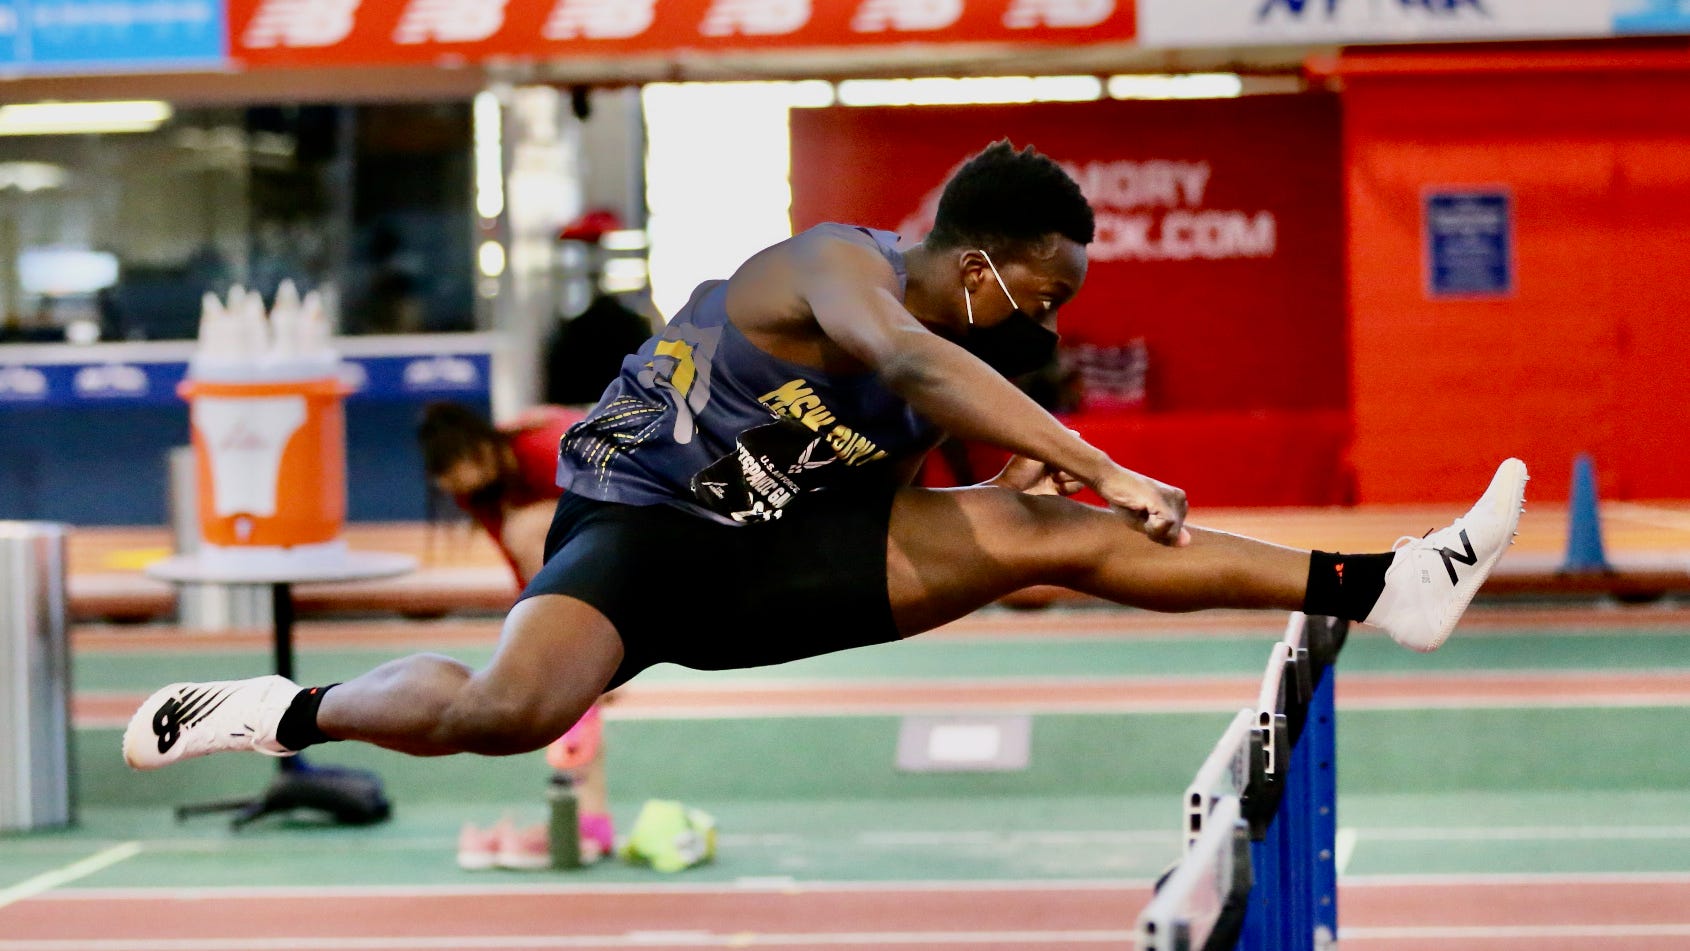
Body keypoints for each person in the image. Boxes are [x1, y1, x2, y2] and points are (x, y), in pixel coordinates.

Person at [122, 141, 1527, 790]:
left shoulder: (975, 361)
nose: (1044, 321)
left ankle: (1385, 580)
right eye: (1033, 294)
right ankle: (287, 708)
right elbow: (909, 365)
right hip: (644, 526)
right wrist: (1097, 460)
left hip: (782, 559)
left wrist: (1040, 513)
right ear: (971, 259)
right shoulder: (829, 265)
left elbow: (997, 519)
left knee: (1054, 532)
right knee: (507, 707)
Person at [415, 401, 615, 865]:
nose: (449, 485)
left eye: (453, 468)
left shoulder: (544, 448)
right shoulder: (481, 491)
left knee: (528, 529)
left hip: (650, 516)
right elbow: (518, 568)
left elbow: (622, 507)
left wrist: (603, 636)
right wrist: (533, 638)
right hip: (586, 560)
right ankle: (591, 820)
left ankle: (594, 642)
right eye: (441, 477)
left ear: (481, 449)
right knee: (572, 697)